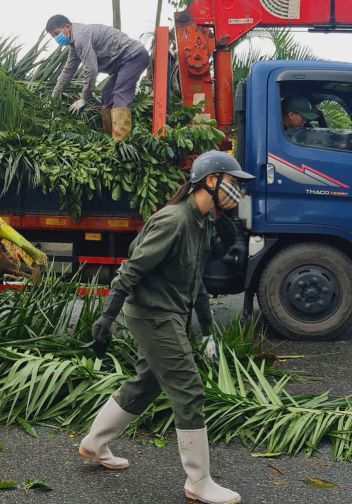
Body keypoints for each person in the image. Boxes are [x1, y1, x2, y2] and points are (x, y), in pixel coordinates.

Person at [78, 150, 254, 504]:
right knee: (188, 390)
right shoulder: (173, 221)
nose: (238, 192)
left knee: (148, 381)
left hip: (171, 314)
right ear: (210, 180)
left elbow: (197, 284)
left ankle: (94, 443)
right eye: (233, 183)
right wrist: (106, 317)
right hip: (151, 314)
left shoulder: (202, 223)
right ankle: (198, 481)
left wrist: (206, 331)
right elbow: (131, 269)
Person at [46, 14, 150, 142]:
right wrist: (53, 98)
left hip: (133, 56)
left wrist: (84, 98)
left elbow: (90, 69)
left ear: (67, 27)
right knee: (107, 93)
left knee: (120, 93)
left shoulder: (80, 36)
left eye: (56, 33)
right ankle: (109, 137)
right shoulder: (75, 44)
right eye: (53, 37)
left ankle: (120, 143)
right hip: (123, 63)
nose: (56, 38)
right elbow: (67, 72)